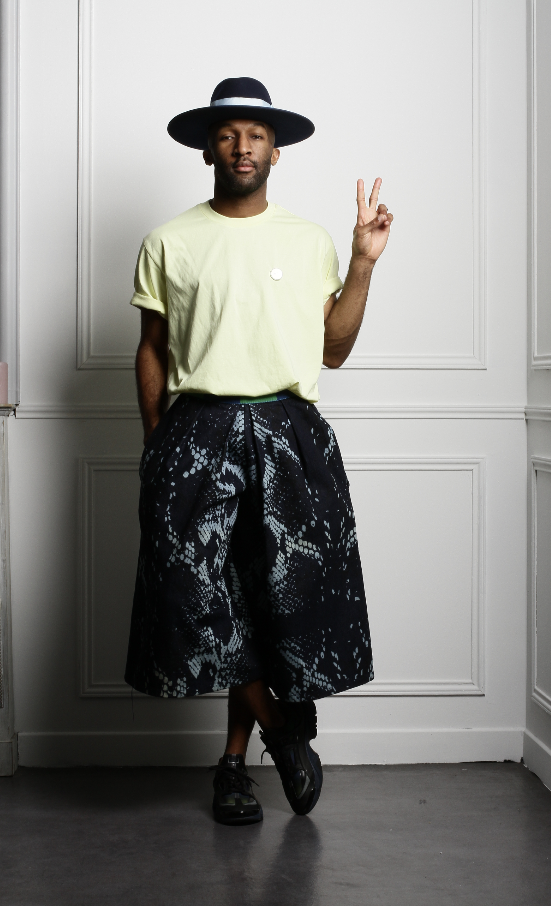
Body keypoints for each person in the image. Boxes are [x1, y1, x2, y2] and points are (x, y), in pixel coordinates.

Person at [124, 77, 393, 826]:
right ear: (207, 149)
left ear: (276, 151)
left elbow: (333, 350)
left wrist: (363, 262)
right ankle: (283, 732)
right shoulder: (168, 241)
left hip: (287, 429)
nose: (242, 146)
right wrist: (156, 443)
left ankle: (234, 766)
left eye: (256, 135)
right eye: (228, 134)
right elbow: (151, 349)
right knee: (193, 595)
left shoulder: (308, 240)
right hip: (196, 430)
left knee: (270, 598)